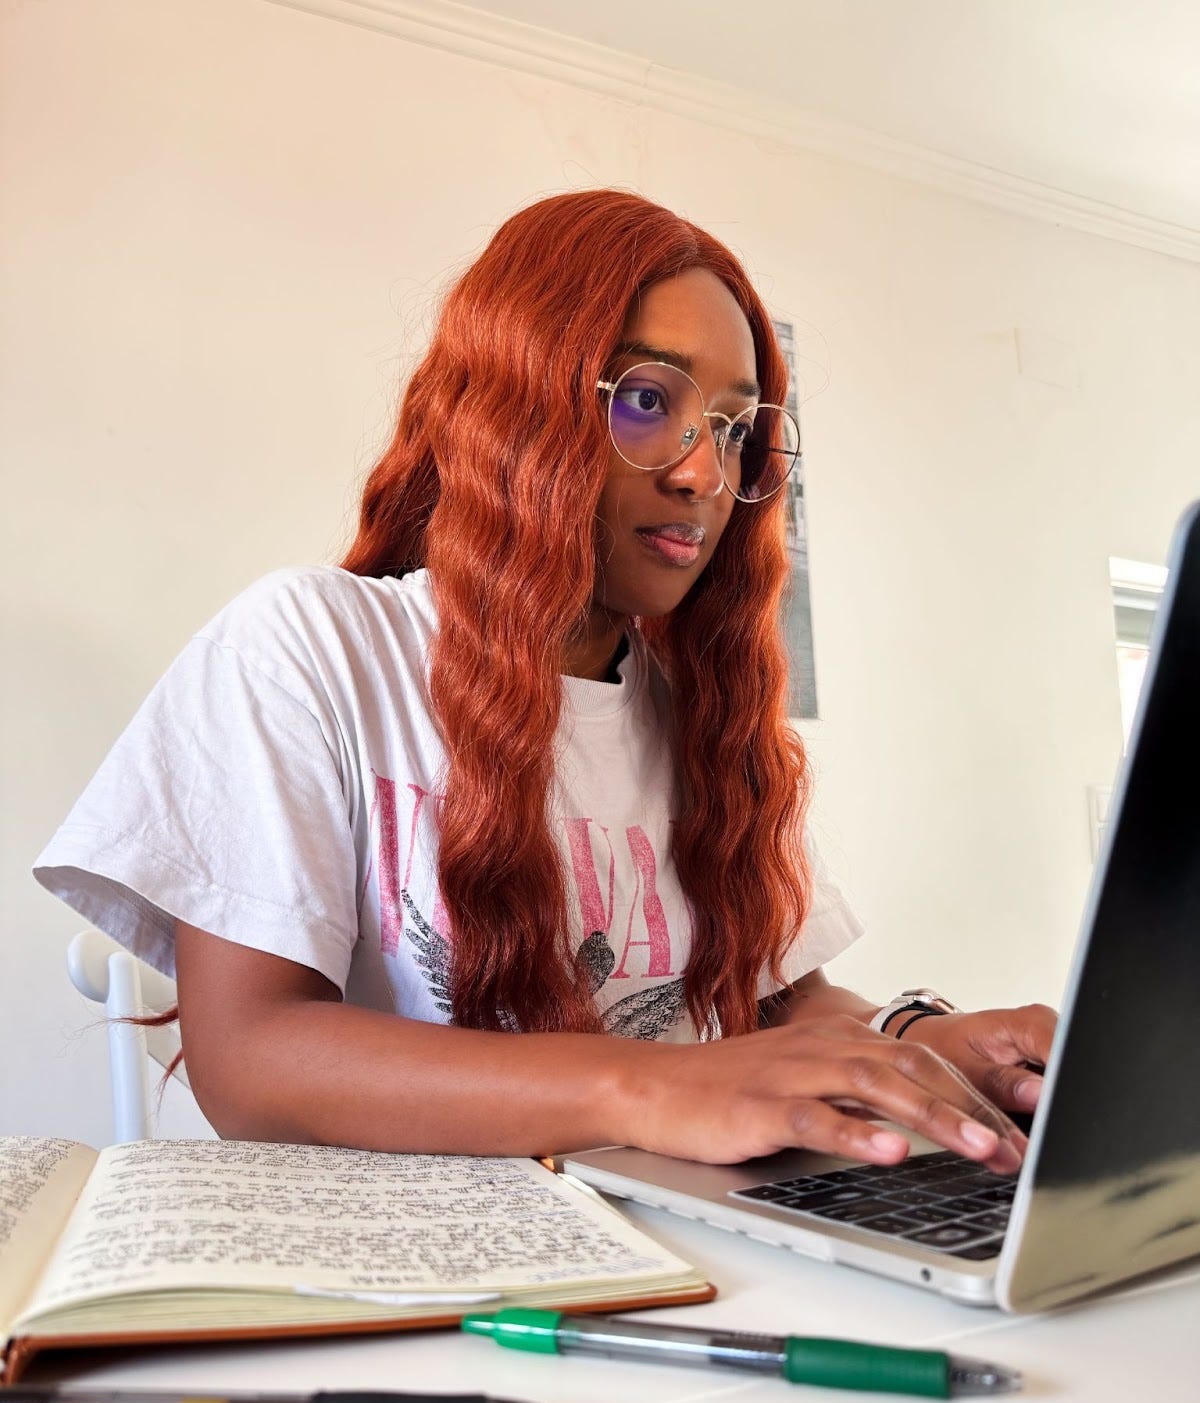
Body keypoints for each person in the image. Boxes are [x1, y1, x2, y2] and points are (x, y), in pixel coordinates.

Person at [35, 189, 1054, 1171]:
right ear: (515, 405)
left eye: (735, 428)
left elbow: (783, 1003)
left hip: (677, 1243)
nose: (704, 475)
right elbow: (251, 1058)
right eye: (647, 400)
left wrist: (922, 1043)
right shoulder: (311, 647)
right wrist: (646, 1087)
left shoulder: (704, 716)